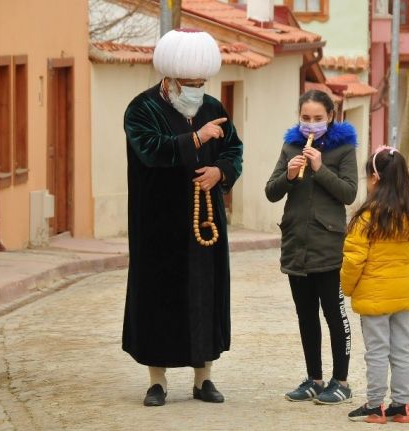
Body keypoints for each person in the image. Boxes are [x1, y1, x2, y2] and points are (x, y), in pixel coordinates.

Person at [122, 29, 243, 407]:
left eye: (201, 83)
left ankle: (203, 378)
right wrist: (195, 139)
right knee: (158, 297)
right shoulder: (141, 109)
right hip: (157, 221)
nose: (196, 90)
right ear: (170, 81)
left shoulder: (212, 108)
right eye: (189, 84)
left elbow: (234, 150)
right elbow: (150, 150)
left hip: (204, 223)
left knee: (204, 294)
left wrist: (220, 173)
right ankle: (156, 381)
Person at [265, 89, 358, 405]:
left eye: (318, 119)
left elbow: (348, 193)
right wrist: (289, 175)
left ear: (330, 117)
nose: (311, 125)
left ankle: (341, 381)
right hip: (296, 243)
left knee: (334, 314)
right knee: (306, 314)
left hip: (328, 244)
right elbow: (271, 192)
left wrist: (320, 169)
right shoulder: (291, 145)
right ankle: (314, 379)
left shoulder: (343, 148)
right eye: (306, 118)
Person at [341, 146, 409, 424]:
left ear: (375, 179)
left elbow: (354, 261)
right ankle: (401, 406)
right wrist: (400, 278)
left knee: (377, 351)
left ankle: (375, 405)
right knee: (402, 349)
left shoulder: (367, 218)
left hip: (373, 296)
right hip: (402, 295)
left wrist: (348, 288)